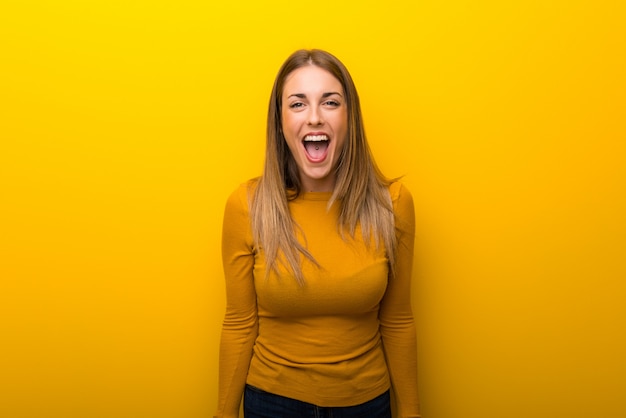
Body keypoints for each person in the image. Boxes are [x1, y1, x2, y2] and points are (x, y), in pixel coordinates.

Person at [215, 49, 420, 418]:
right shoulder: (247, 206)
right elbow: (239, 323)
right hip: (270, 403)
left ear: (349, 118)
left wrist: (412, 412)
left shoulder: (393, 205)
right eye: (297, 104)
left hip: (367, 404)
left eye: (330, 102)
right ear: (279, 122)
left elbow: (398, 320)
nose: (314, 118)